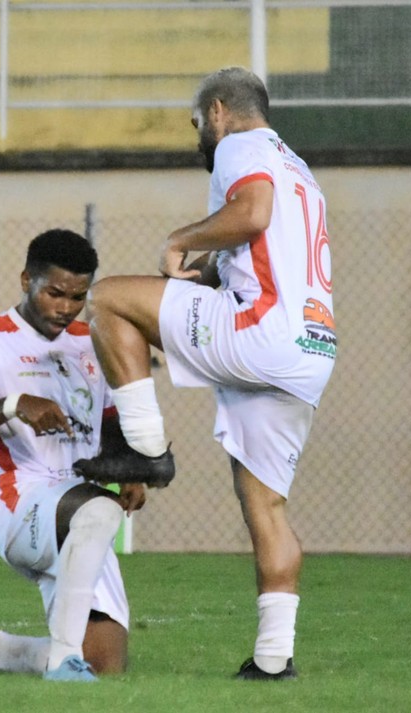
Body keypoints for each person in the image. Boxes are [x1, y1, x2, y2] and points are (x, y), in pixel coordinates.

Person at [73, 67, 337, 681]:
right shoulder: (300, 169)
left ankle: (144, 451)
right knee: (265, 506)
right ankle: (274, 659)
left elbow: (252, 212)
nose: (199, 136)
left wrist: (176, 240)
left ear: (219, 110)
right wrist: (206, 269)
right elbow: (259, 243)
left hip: (261, 331)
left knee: (107, 300)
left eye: (198, 123)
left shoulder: (239, 145)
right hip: (311, 348)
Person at [0, 228, 147, 682]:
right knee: (99, 509)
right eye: (54, 292)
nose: (65, 307)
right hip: (20, 499)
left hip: (81, 510)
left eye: (78, 296)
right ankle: (61, 659)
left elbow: (111, 421)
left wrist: (129, 471)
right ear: (26, 280)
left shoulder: (91, 341)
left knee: (104, 666)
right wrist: (15, 404)